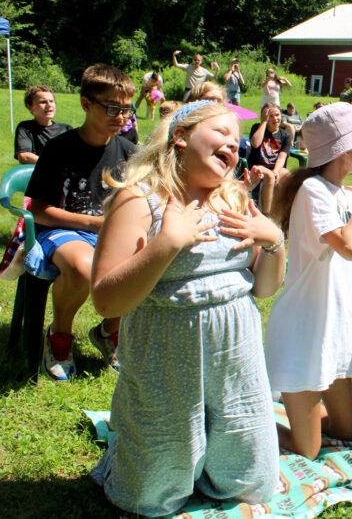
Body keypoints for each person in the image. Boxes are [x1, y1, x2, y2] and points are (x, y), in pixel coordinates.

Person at [89, 100, 284, 516]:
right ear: (180, 136)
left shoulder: (234, 197)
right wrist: (165, 245)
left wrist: (273, 241)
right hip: (167, 358)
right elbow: (105, 300)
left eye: (236, 140)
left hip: (236, 357)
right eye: (221, 133)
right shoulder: (140, 200)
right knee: (149, 496)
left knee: (252, 484)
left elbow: (264, 288)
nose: (233, 144)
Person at [266, 102, 352, 459]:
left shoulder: (344, 196)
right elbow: (348, 246)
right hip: (303, 335)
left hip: (333, 333)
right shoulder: (314, 191)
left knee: (348, 432)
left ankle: (299, 418)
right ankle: (244, 420)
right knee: (306, 450)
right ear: (342, 148)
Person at [25, 64, 138, 380]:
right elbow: (39, 210)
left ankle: (108, 332)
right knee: (82, 266)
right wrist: (93, 224)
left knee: (139, 262)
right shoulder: (59, 148)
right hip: (61, 231)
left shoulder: (130, 152)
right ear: (86, 104)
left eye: (127, 110)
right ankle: (59, 336)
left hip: (109, 233)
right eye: (112, 108)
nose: (121, 117)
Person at [248, 103, 293, 213]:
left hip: (275, 167)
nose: (275, 119)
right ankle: (265, 214)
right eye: (270, 116)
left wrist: (276, 171)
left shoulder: (285, 136)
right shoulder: (257, 128)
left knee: (289, 176)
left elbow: (282, 158)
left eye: (277, 115)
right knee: (269, 176)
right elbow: (255, 143)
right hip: (258, 166)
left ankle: (285, 214)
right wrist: (263, 122)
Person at [15, 85, 71, 164]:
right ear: (30, 107)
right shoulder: (25, 128)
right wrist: (51, 163)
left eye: (51, 101)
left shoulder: (66, 129)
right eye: (43, 102)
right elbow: (24, 156)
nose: (49, 105)